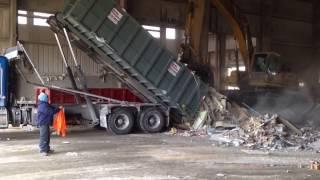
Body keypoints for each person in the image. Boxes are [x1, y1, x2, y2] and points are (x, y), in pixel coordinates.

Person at [37, 90, 61, 156]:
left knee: (47, 136)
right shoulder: (42, 105)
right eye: (47, 97)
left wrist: (58, 108)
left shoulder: (45, 104)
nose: (48, 98)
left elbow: (52, 108)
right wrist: (58, 110)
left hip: (45, 122)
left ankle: (47, 149)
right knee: (44, 136)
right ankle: (43, 150)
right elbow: (50, 111)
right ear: (44, 98)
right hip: (43, 123)